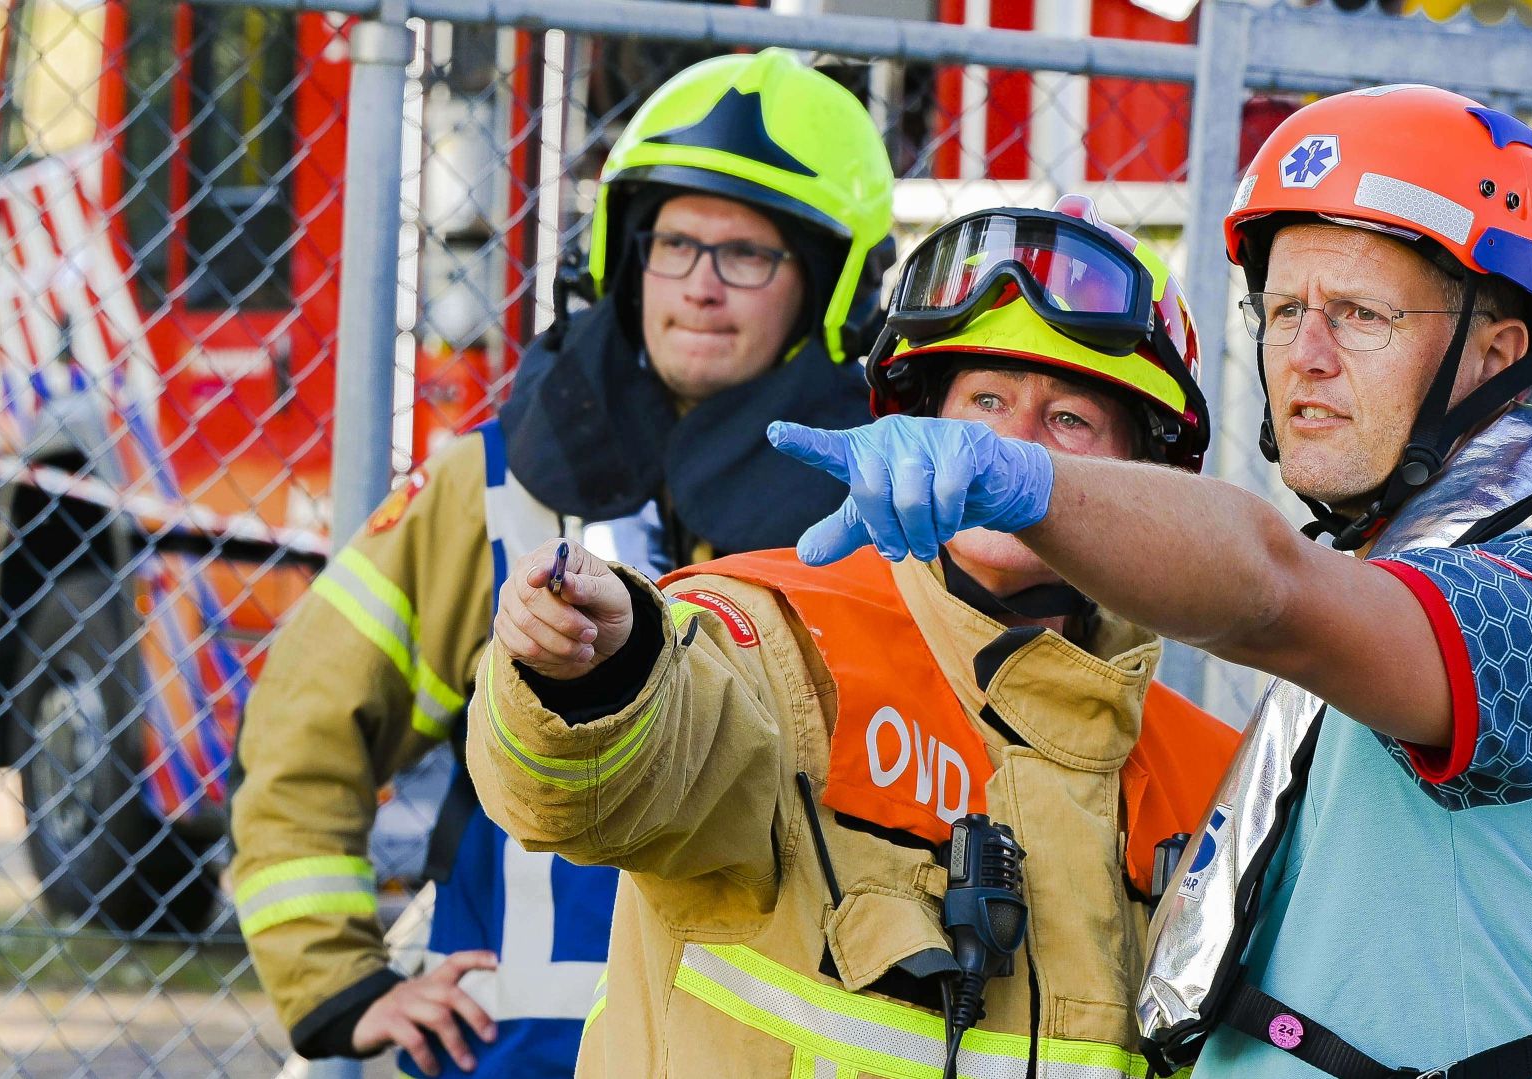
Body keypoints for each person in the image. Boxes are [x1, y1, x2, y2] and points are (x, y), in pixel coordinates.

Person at [775, 86, 1532, 1079]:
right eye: (1283, 311)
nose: (1306, 357)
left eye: (1359, 314)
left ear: (1495, 353)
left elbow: (1271, 592)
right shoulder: (1399, 565)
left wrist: (1027, 482)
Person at [466, 196, 1243, 1078]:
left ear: (1144, 479)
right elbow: (611, 775)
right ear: (914, 423)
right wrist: (599, 669)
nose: (1011, 446)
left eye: (1069, 420)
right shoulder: (779, 637)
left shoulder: (1212, 780)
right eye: (986, 401)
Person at [229, 48, 894, 1077]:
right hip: (518, 1056)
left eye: (747, 254)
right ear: (625, 256)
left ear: (827, 287)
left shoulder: (878, 523)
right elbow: (307, 721)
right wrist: (338, 981)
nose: (700, 286)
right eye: (675, 243)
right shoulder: (494, 485)